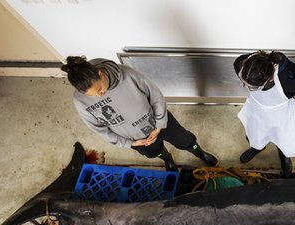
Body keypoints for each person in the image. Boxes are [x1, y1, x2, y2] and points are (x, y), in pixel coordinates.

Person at [61, 56, 218, 171]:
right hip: (135, 137)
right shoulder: (80, 100)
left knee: (185, 139)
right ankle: (168, 160)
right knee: (154, 151)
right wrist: (128, 143)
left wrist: (160, 124)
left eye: (99, 90)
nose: (99, 96)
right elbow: (98, 128)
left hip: (158, 121)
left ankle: (200, 153)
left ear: (101, 74)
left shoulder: (128, 75)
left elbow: (156, 97)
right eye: (92, 95)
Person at [234, 50, 295, 178]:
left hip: (283, 115)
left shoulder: (290, 77)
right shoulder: (242, 64)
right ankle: (258, 147)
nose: (248, 88)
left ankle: (284, 156)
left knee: (284, 139)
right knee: (255, 134)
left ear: (271, 78)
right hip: (257, 109)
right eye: (246, 84)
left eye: (254, 87)